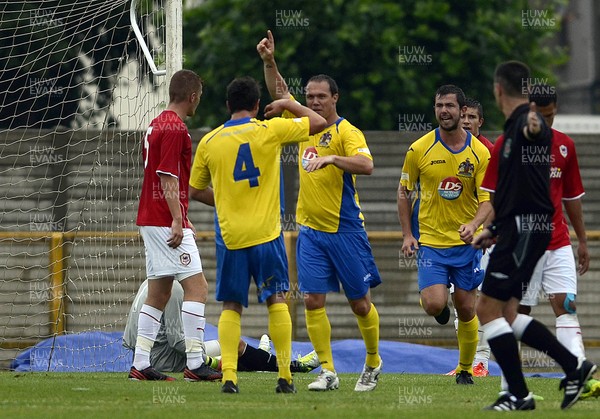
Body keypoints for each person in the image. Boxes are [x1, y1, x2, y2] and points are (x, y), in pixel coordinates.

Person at [257, 30, 383, 392]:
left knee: (360, 305)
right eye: (309, 97)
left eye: (320, 97)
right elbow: (281, 94)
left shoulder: (347, 131)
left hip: (345, 229)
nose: (313, 103)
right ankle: (327, 371)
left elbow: (367, 165)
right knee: (312, 300)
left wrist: (332, 158)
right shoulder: (304, 128)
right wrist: (269, 61)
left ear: (335, 98)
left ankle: (373, 362)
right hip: (310, 230)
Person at [189, 76, 327, 394]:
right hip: (267, 235)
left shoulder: (210, 141)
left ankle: (229, 378)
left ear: (228, 106)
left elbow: (195, 190)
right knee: (276, 300)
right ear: (255, 105)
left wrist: (223, 197)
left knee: (231, 306)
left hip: (231, 238)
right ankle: (284, 377)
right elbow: (318, 122)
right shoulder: (270, 129)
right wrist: (288, 104)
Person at [473, 60, 596, 411]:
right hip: (516, 227)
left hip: (526, 229)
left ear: (498, 90)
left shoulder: (528, 125)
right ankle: (568, 370)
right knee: (508, 313)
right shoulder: (510, 130)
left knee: (487, 309)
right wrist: (492, 229)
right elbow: (512, 189)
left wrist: (533, 124)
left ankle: (523, 390)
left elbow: (535, 134)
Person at [130, 69, 221, 382]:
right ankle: (195, 362)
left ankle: (141, 363)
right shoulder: (176, 128)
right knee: (198, 288)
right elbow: (167, 176)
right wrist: (177, 219)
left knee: (159, 293)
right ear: (193, 96)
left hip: (151, 218)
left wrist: (179, 212)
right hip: (163, 221)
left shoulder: (157, 123)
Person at [398, 84, 492, 385]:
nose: (444, 111)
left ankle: (465, 369)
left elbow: (487, 199)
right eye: (439, 105)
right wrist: (407, 235)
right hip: (432, 243)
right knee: (434, 304)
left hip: (466, 244)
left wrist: (474, 224)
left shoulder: (479, 153)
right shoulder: (419, 149)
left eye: (449, 106)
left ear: (462, 111)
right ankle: (438, 310)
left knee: (466, 309)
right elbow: (404, 192)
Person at [123, 280, 320, 374]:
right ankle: (297, 366)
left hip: (148, 356)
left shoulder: (150, 283)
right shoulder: (173, 289)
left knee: (233, 348)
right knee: (236, 346)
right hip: (165, 361)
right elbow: (177, 343)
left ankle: (261, 362)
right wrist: (205, 359)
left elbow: (129, 338)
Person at [444, 97, 495, 378]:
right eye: (463, 116)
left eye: (472, 117)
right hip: (454, 238)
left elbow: (497, 199)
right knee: (459, 300)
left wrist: (488, 231)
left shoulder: (488, 152)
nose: (466, 121)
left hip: (485, 239)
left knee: (478, 300)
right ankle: (466, 362)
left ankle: (481, 363)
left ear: (480, 122)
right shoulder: (448, 149)